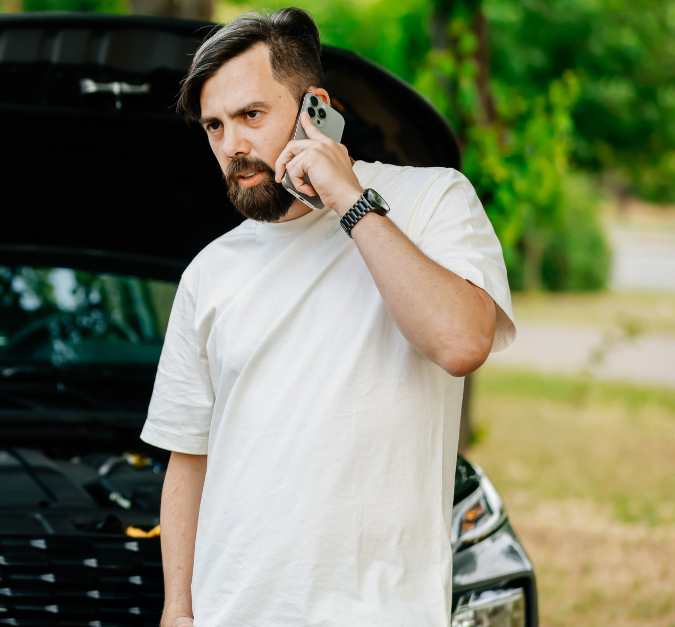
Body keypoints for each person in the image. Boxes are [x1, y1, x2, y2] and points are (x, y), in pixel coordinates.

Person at [141, 8, 516, 627]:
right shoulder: (210, 272)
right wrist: (178, 611)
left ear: (315, 107)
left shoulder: (431, 201)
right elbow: (190, 457)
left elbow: (460, 341)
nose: (233, 146)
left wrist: (346, 198)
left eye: (251, 116)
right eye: (214, 125)